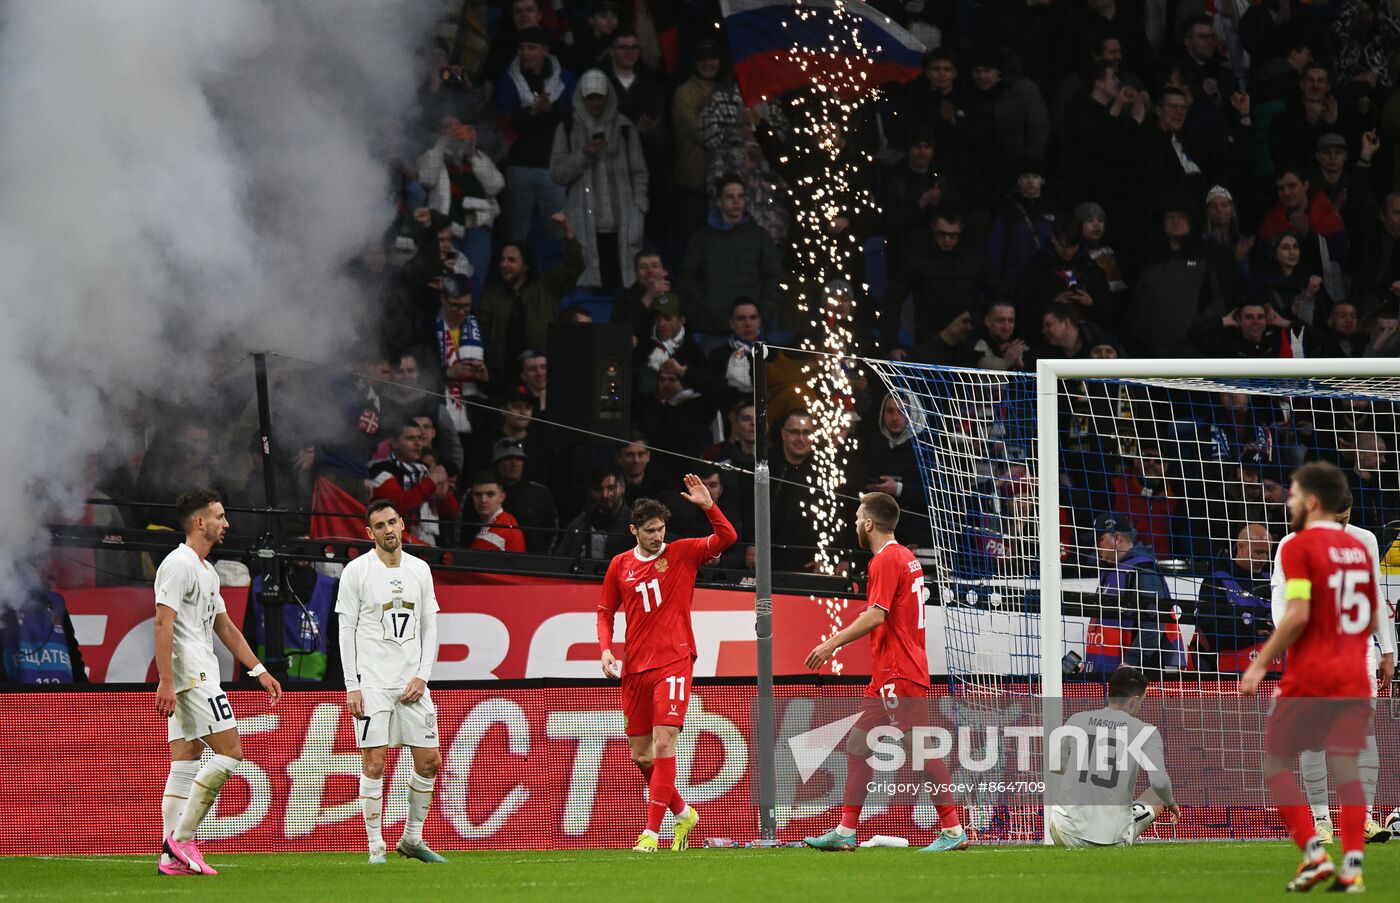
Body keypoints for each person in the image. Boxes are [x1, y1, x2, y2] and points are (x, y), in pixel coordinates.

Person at [1242, 461, 1387, 892]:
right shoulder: (1360, 549)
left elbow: (1298, 611)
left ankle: (1314, 854)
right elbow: (1370, 608)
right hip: (1354, 668)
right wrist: (1382, 651)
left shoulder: (1296, 547)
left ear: (1310, 500)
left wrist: (1262, 660)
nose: (1287, 502)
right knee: (1346, 761)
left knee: (1276, 761)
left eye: (1291, 495)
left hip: (1314, 668)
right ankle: (1352, 868)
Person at [801, 492, 967, 853]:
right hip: (888, 673)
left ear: (869, 523)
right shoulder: (905, 557)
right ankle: (846, 831)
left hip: (899, 671)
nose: (855, 522)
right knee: (857, 745)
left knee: (920, 751)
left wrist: (832, 644)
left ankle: (953, 831)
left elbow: (876, 615)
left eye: (859, 516)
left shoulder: (886, 561)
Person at [597, 475, 737, 852]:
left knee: (664, 743)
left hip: (675, 660)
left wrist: (709, 506)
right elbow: (605, 611)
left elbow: (727, 539)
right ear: (634, 530)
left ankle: (651, 833)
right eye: (650, 530)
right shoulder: (619, 566)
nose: (658, 536)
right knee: (640, 755)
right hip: (635, 668)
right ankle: (683, 813)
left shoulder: (682, 553)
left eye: (661, 529)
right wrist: (606, 649)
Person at [157, 490, 282, 877]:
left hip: (196, 672)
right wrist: (165, 680)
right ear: (200, 522)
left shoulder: (207, 570)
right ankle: (183, 838)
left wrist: (257, 668)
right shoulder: (177, 564)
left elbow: (223, 625)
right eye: (220, 517)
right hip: (192, 675)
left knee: (186, 758)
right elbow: (164, 622)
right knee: (230, 752)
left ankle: (169, 858)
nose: (226, 524)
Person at [1268, 487, 1397, 847]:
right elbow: (1280, 593)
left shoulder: (1365, 541)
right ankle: (1322, 821)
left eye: (1346, 519)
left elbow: (1373, 595)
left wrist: (1387, 650)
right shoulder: (1292, 544)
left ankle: (1364, 818)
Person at [1047, 666, 1179, 847]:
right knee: (1158, 794)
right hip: (1113, 839)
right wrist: (1170, 802)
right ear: (1134, 701)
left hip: (1066, 831)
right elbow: (1160, 782)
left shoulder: (1076, 719)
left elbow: (1055, 766)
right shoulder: (1145, 732)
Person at [1192, 524, 1274, 669]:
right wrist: (1254, 631)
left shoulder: (1272, 582)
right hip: (1229, 671)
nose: (1264, 559)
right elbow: (1213, 632)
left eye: (1267, 553)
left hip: (1273, 668)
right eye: (1259, 552)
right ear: (1241, 548)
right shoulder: (1216, 581)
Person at [465, 471, 526, 553]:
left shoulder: (495, 532)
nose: (483, 500)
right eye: (478, 494)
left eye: (490, 494)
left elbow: (468, 561)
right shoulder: (509, 518)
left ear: (502, 497)